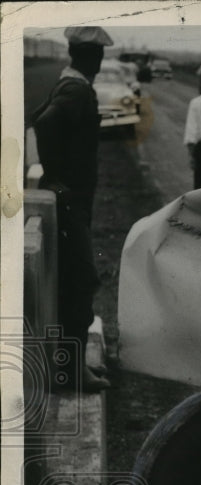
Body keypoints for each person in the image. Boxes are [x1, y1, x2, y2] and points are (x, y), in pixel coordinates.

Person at [32, 25, 114, 392]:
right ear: (90, 56)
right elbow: (45, 122)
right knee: (81, 282)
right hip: (70, 203)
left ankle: (72, 368)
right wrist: (56, 178)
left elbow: (43, 116)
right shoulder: (77, 89)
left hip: (74, 202)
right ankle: (73, 371)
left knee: (72, 283)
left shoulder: (70, 84)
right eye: (97, 55)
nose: (99, 61)